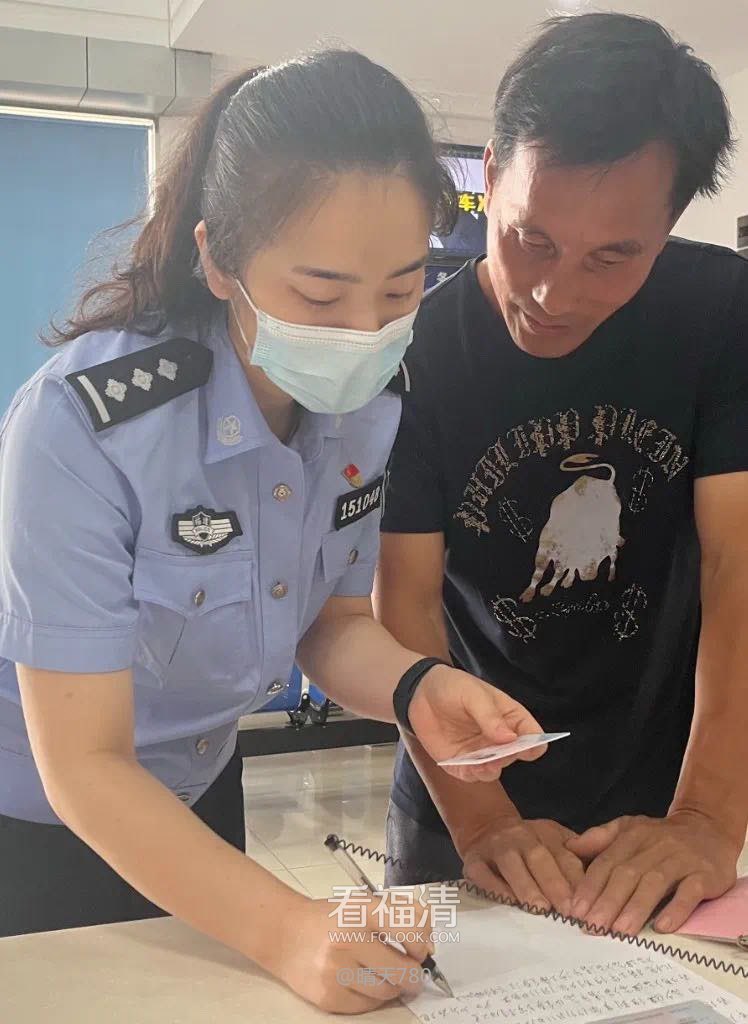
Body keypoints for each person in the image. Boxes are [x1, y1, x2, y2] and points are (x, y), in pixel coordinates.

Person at [0, 51, 545, 1014]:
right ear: (218, 260)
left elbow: (329, 623)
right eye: (321, 297)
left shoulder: (369, 405)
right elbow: (84, 763)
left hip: (200, 788)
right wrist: (289, 929)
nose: (364, 331)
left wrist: (419, 687)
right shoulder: (85, 425)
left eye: (401, 290)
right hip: (40, 817)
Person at [377, 12, 748, 940]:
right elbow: (405, 605)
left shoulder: (721, 315)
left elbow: (737, 566)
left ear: (668, 226)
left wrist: (709, 818)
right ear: (490, 175)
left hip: (660, 800)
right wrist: (483, 822)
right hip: (459, 794)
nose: (554, 294)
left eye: (613, 257)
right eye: (530, 239)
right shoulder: (410, 353)